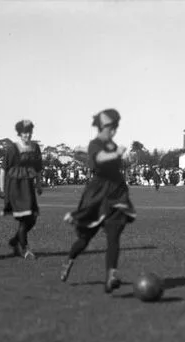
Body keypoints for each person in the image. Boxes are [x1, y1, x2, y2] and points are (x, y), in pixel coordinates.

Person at [61, 109, 136, 293]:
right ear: (102, 126)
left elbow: (110, 161)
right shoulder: (95, 144)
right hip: (98, 194)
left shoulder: (112, 144)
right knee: (85, 239)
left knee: (114, 236)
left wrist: (122, 157)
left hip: (117, 193)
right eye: (111, 126)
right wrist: (117, 153)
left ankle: (111, 275)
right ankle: (69, 260)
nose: (113, 130)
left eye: (115, 126)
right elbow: (100, 159)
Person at [0, 119, 43, 259]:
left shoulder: (35, 147)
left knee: (33, 218)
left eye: (29, 132)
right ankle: (25, 250)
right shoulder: (13, 148)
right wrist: (1, 188)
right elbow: (3, 169)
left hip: (28, 186)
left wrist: (39, 183)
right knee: (25, 218)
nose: (27, 135)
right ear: (20, 133)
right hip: (15, 186)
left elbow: (38, 168)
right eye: (24, 133)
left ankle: (15, 241)